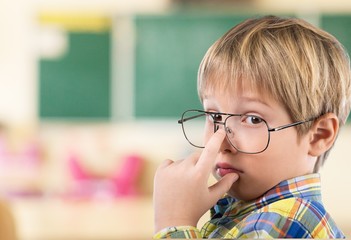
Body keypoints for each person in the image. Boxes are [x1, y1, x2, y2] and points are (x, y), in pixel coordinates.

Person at [153, 15, 351, 238]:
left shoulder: (287, 222)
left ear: (319, 136)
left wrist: (173, 221)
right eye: (215, 115)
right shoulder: (249, 214)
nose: (222, 143)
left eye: (253, 119)